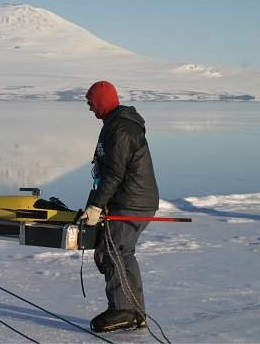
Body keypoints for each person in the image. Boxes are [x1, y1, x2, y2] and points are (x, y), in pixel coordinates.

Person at [79, 81, 159, 332]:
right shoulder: (115, 124)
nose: (90, 108)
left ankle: (124, 311)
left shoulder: (121, 129)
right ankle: (134, 311)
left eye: (91, 103)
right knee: (122, 253)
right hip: (132, 200)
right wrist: (97, 203)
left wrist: (95, 207)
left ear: (102, 101)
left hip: (131, 203)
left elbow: (114, 173)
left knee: (112, 253)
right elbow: (107, 172)